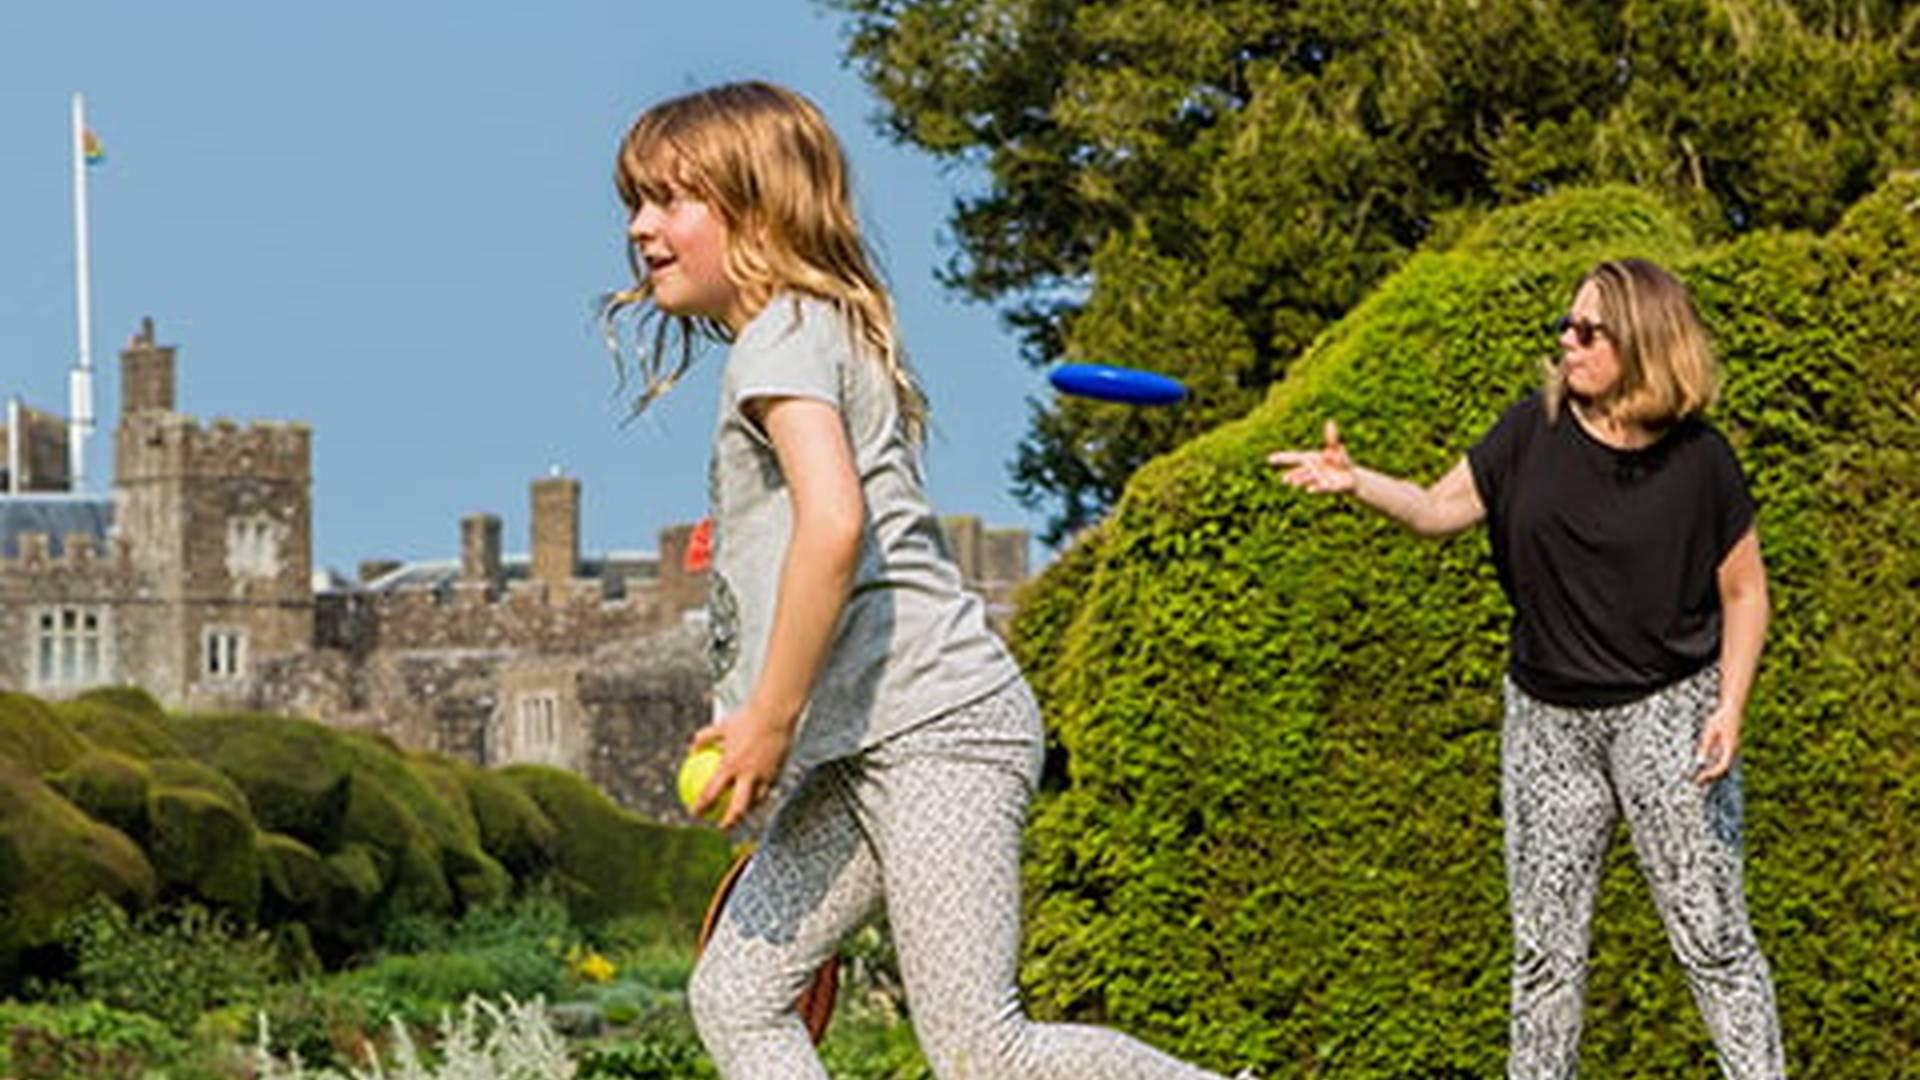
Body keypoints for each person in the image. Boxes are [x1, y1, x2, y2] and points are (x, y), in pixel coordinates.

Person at [602, 80, 1235, 1080]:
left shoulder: (783, 341)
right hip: (863, 746)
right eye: (633, 201)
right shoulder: (806, 331)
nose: (641, 227)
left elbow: (834, 522)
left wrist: (768, 718)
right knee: (737, 996)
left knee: (982, 1047)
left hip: (941, 729)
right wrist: (762, 713)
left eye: (671, 200)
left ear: (757, 210)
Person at [1267, 257, 1785, 1078]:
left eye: (1589, 330)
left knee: (1714, 941)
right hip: (1548, 722)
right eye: (1565, 325)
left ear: (1643, 343)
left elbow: (1745, 593)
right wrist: (1355, 481)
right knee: (1545, 960)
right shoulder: (1529, 431)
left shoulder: (1702, 460)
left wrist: (1730, 707)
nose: (1567, 342)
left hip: (1669, 713)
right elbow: (1439, 511)